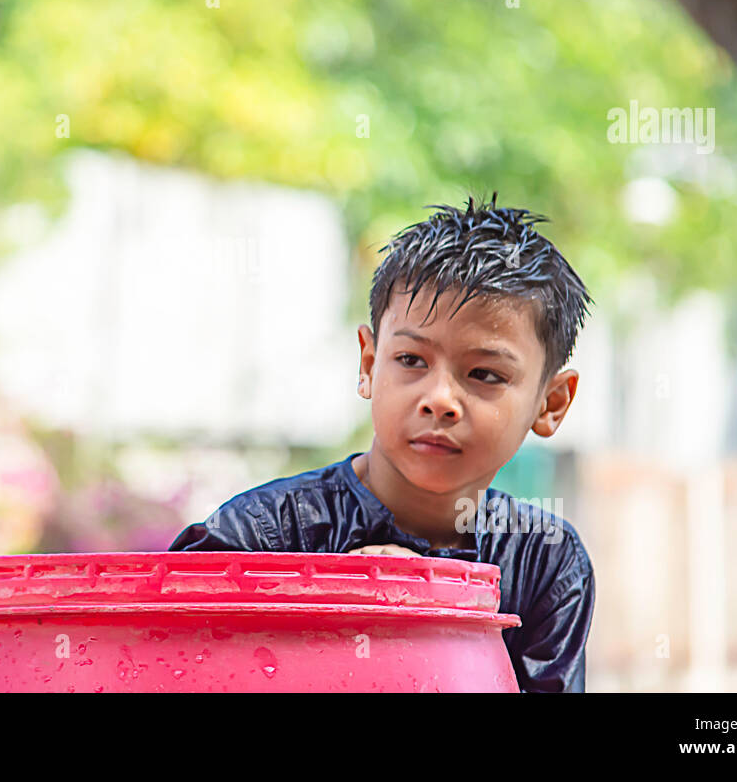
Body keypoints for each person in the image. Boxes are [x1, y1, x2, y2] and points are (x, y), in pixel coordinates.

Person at [170, 194, 596, 692]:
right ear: (369, 364)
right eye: (412, 360)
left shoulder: (545, 561)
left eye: (484, 374)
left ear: (551, 404)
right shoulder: (260, 538)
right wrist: (329, 604)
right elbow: (165, 667)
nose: (440, 400)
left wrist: (426, 625)